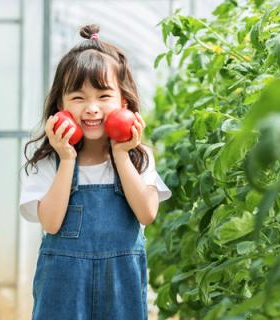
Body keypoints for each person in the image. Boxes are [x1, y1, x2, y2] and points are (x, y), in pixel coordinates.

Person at [19, 24, 172, 319]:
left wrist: (121, 155)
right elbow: (51, 223)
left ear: (123, 102)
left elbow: (146, 213)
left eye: (103, 97)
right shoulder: (47, 161)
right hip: (62, 289)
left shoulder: (139, 159)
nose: (91, 108)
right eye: (78, 98)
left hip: (120, 288)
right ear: (59, 105)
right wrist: (66, 159)